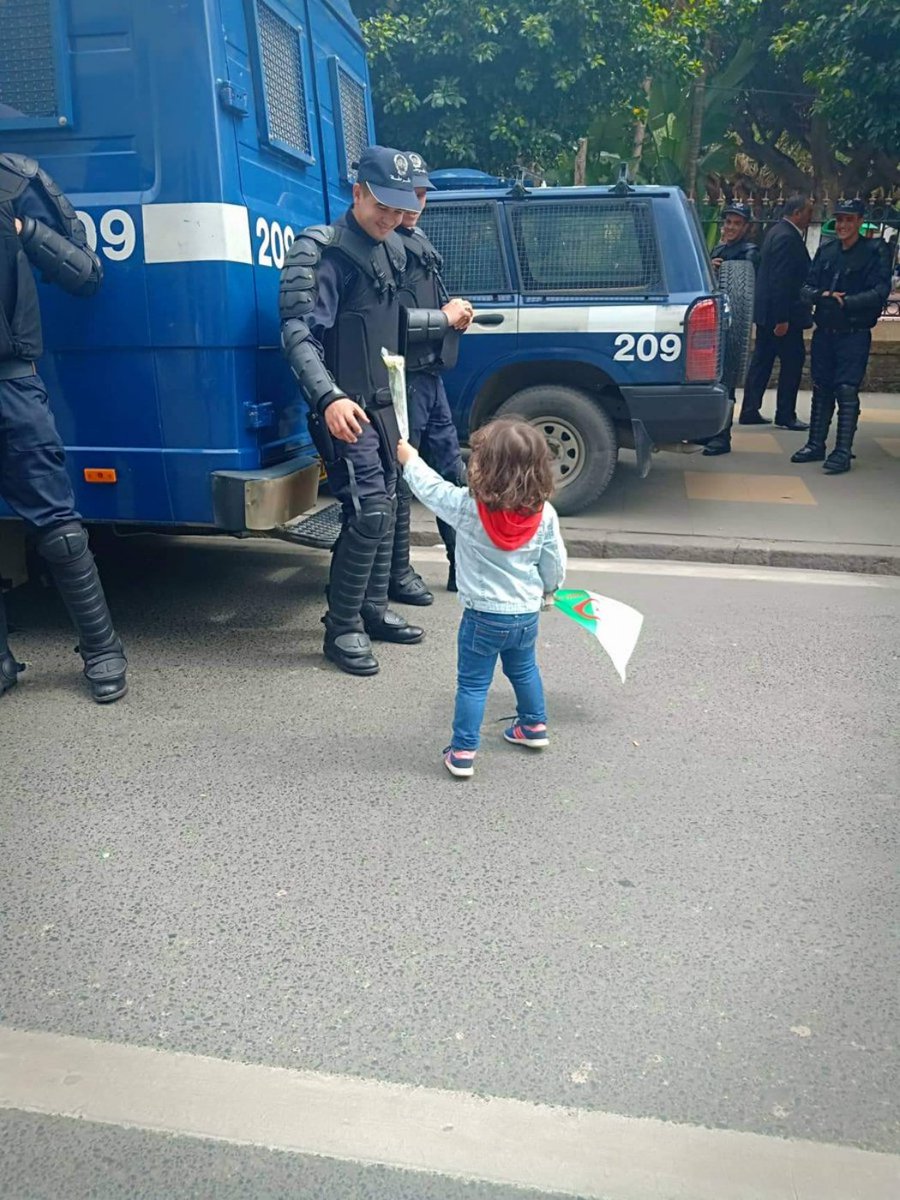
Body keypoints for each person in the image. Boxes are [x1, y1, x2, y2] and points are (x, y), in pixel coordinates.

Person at [279, 147, 450, 676]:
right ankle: (343, 627)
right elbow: (298, 334)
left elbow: (393, 329)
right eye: (383, 205)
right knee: (369, 511)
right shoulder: (324, 251)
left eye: (401, 208)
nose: (393, 217)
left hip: (385, 403)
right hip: (344, 407)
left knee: (391, 504)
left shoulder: (395, 250)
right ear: (357, 192)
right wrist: (327, 398)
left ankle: (372, 611)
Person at [0, 153, 127, 703]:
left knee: (58, 527)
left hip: (10, 378)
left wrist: (25, 230)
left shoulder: (15, 180)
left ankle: (102, 650)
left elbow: (87, 274)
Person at [397, 418, 567, 779]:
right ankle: (534, 726)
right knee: (524, 670)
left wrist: (410, 459)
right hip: (525, 616)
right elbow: (554, 563)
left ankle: (462, 751)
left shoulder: (467, 508)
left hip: (482, 617)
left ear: (484, 468)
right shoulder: (545, 514)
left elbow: (431, 489)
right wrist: (549, 590)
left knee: (473, 684)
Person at [389, 151, 473, 603]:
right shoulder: (386, 245)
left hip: (431, 376)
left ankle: (463, 565)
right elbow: (390, 323)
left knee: (450, 472)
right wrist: (444, 317)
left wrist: (453, 314)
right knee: (402, 477)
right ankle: (397, 575)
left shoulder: (415, 239)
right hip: (402, 378)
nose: (419, 201)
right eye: (413, 192)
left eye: (423, 193)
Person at [791, 199, 891, 474]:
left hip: (854, 332)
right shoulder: (827, 251)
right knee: (821, 388)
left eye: (849, 219)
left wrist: (847, 302)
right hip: (825, 331)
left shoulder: (875, 251)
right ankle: (815, 443)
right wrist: (822, 296)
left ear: (860, 221)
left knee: (846, 389)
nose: (843, 225)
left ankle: (843, 450)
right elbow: (806, 287)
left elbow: (880, 291)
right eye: (840, 220)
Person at [739, 195, 814, 430]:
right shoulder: (787, 237)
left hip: (769, 314)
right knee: (792, 362)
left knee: (762, 361)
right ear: (798, 212)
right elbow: (781, 280)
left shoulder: (776, 232)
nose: (811, 218)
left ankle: (750, 409)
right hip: (782, 316)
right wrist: (782, 318)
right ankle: (785, 413)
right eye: (808, 213)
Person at [703, 203, 760, 456]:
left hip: (733, 323)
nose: (731, 227)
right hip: (711, 323)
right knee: (709, 379)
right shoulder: (719, 248)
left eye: (737, 223)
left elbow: (745, 286)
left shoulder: (749, 252)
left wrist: (721, 269)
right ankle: (707, 430)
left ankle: (722, 436)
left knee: (727, 381)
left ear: (746, 227)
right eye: (728, 222)